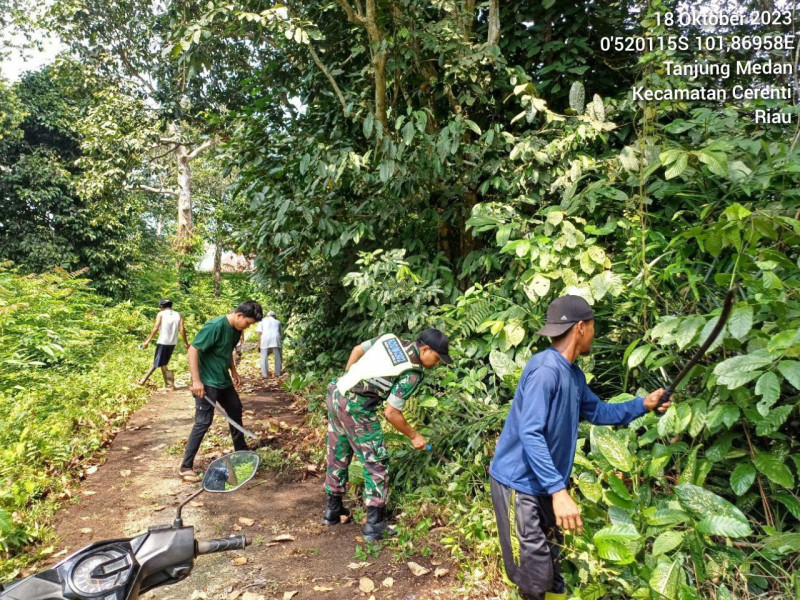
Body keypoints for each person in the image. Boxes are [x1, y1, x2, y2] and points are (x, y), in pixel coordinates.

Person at [489, 295, 671, 600]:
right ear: (581, 328)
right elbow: (530, 433)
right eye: (593, 326)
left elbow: (599, 412)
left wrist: (645, 404)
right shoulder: (545, 370)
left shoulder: (572, 374)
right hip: (518, 486)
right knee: (533, 580)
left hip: (545, 487)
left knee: (552, 570)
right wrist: (559, 492)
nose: (594, 333)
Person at [322, 328, 453, 541]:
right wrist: (414, 435)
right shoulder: (412, 372)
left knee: (338, 451)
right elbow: (391, 412)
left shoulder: (390, 340)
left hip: (337, 392)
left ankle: (333, 510)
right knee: (376, 462)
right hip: (357, 407)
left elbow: (357, 350)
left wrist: (348, 379)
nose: (436, 364)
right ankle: (375, 525)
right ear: (425, 349)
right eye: (437, 358)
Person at [179, 301, 263, 481]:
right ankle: (186, 466)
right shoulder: (215, 326)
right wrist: (196, 381)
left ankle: (240, 451)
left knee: (235, 410)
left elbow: (227, 351)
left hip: (223, 380)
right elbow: (193, 349)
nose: (247, 327)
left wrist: (233, 370)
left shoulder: (236, 330)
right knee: (203, 421)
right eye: (247, 323)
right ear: (239, 315)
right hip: (207, 381)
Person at [137, 299, 189, 390]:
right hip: (172, 342)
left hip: (163, 341)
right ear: (171, 306)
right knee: (162, 362)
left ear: (161, 307)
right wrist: (186, 342)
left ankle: (143, 381)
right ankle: (169, 384)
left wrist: (147, 342)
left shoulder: (161, 314)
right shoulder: (178, 315)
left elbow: (156, 328)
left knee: (157, 361)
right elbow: (182, 329)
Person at [256, 310, 283, 377]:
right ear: (274, 316)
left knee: (263, 357)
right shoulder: (277, 322)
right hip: (275, 339)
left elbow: (260, 333)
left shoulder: (262, 321)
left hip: (265, 338)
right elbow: (280, 334)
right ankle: (277, 373)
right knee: (278, 357)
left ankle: (265, 374)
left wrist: (259, 344)